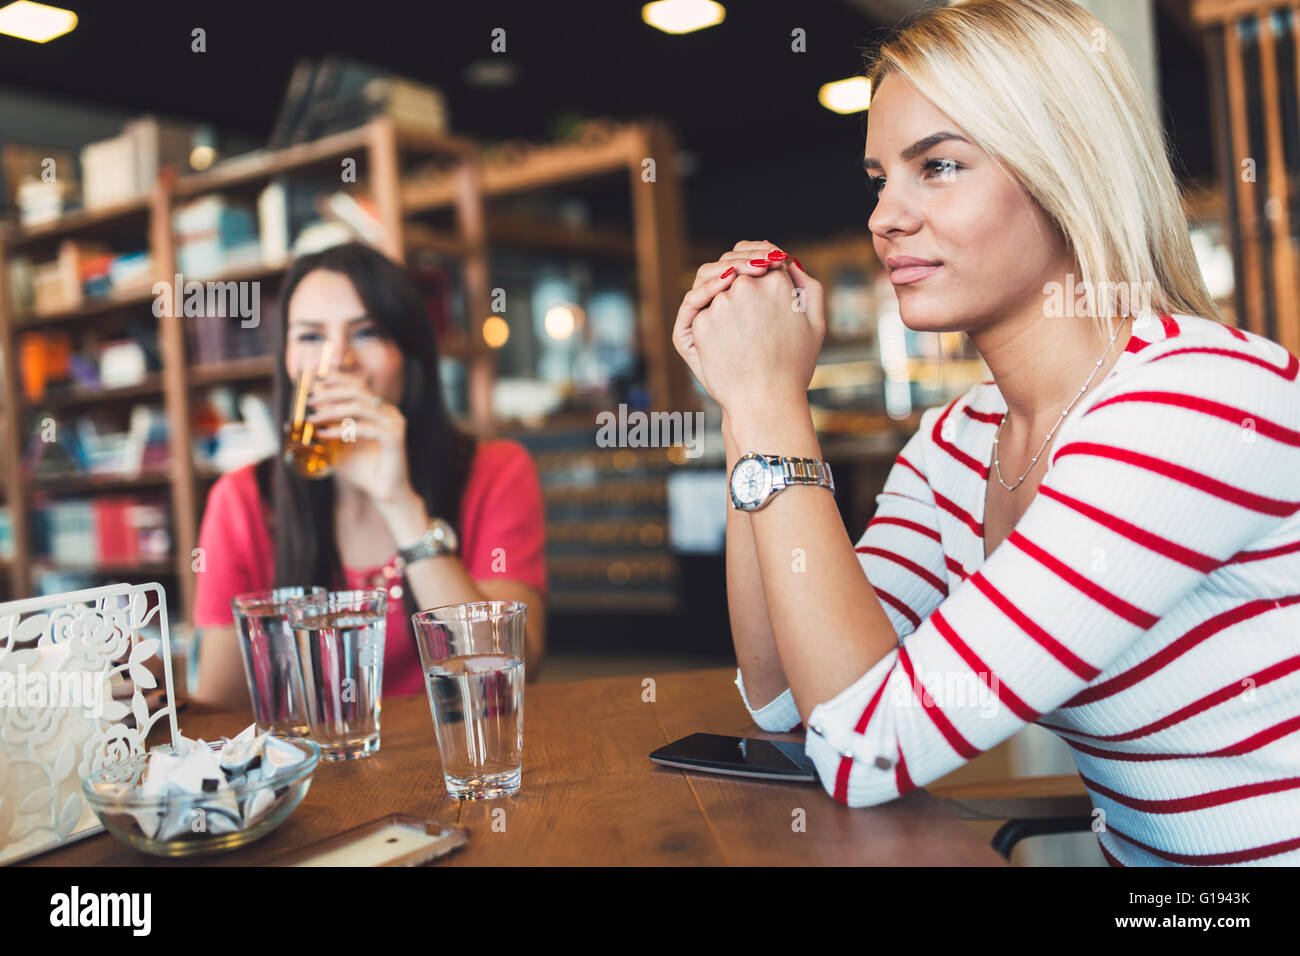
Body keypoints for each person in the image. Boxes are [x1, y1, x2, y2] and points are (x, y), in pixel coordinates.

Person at [673, 0, 1300, 866]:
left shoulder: (1196, 403)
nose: (885, 216)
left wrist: (779, 408)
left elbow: (866, 745)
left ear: (1065, 170)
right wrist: (749, 404)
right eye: (879, 178)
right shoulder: (956, 444)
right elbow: (785, 698)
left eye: (937, 165)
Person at [193, 241, 547, 703]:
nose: (338, 360)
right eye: (310, 337)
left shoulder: (497, 471)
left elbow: (506, 671)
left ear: (410, 355)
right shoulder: (241, 499)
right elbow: (220, 703)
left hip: (457, 761)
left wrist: (400, 502)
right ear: (285, 361)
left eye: (367, 333)